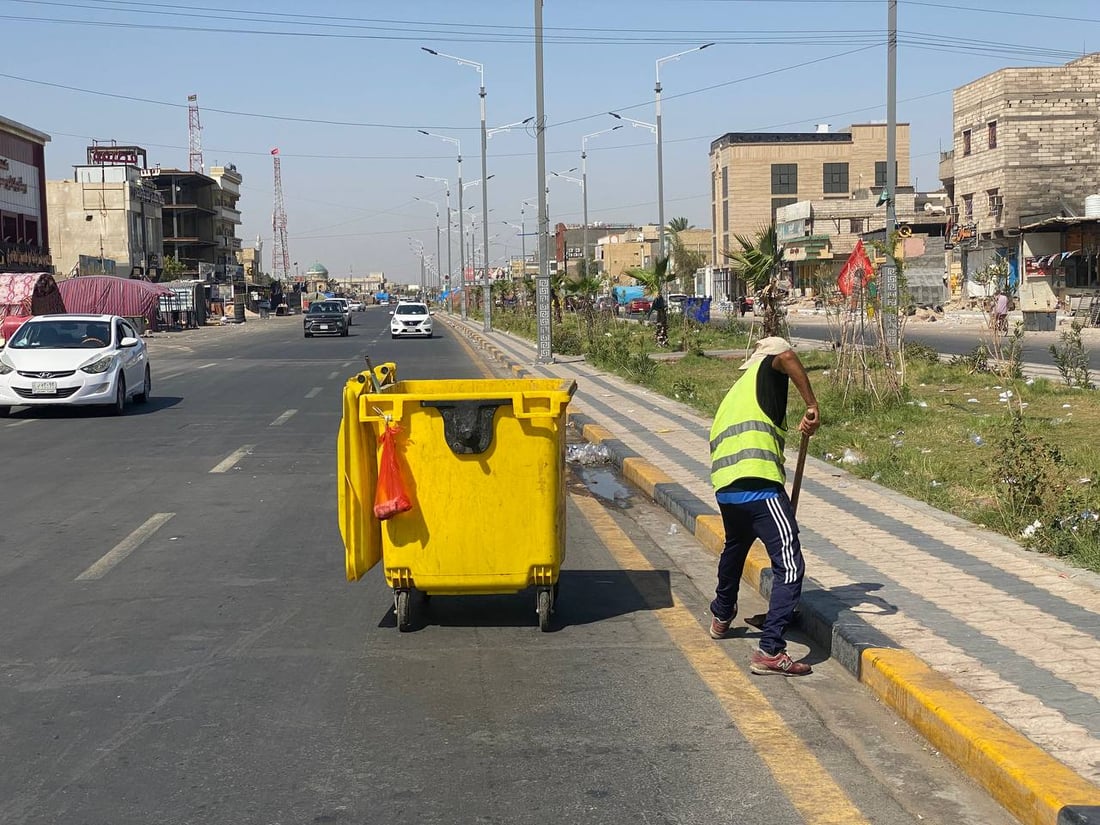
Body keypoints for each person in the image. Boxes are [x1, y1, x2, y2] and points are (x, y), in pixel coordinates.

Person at [707, 336, 820, 676]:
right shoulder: (770, 367)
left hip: (726, 490)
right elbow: (785, 355)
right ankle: (771, 649)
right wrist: (812, 405)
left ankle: (722, 614)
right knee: (789, 564)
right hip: (759, 487)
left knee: (736, 547)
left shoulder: (737, 393)